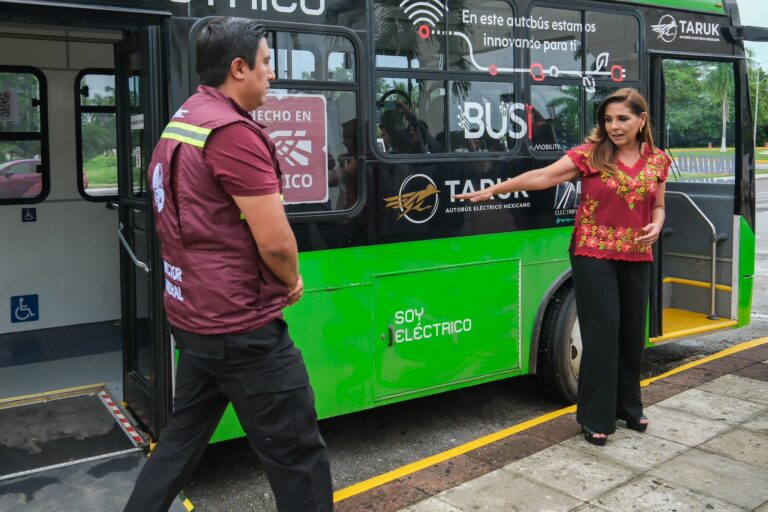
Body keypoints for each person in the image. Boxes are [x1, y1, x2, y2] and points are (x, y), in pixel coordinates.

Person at [123, 17, 333, 511]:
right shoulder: (233, 134)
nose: (272, 76)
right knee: (297, 456)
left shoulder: (182, 122)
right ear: (238, 69)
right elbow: (276, 241)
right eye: (266, 64)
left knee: (178, 443)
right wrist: (291, 279)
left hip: (193, 321)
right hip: (244, 330)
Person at [455, 88, 670, 446]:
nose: (613, 126)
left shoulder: (657, 161)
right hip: (592, 253)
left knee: (632, 333)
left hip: (637, 253)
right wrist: (495, 190)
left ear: (641, 120)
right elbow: (543, 177)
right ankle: (594, 416)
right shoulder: (591, 155)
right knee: (601, 332)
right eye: (607, 119)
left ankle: (629, 406)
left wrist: (658, 224)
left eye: (622, 119)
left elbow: (659, 205)